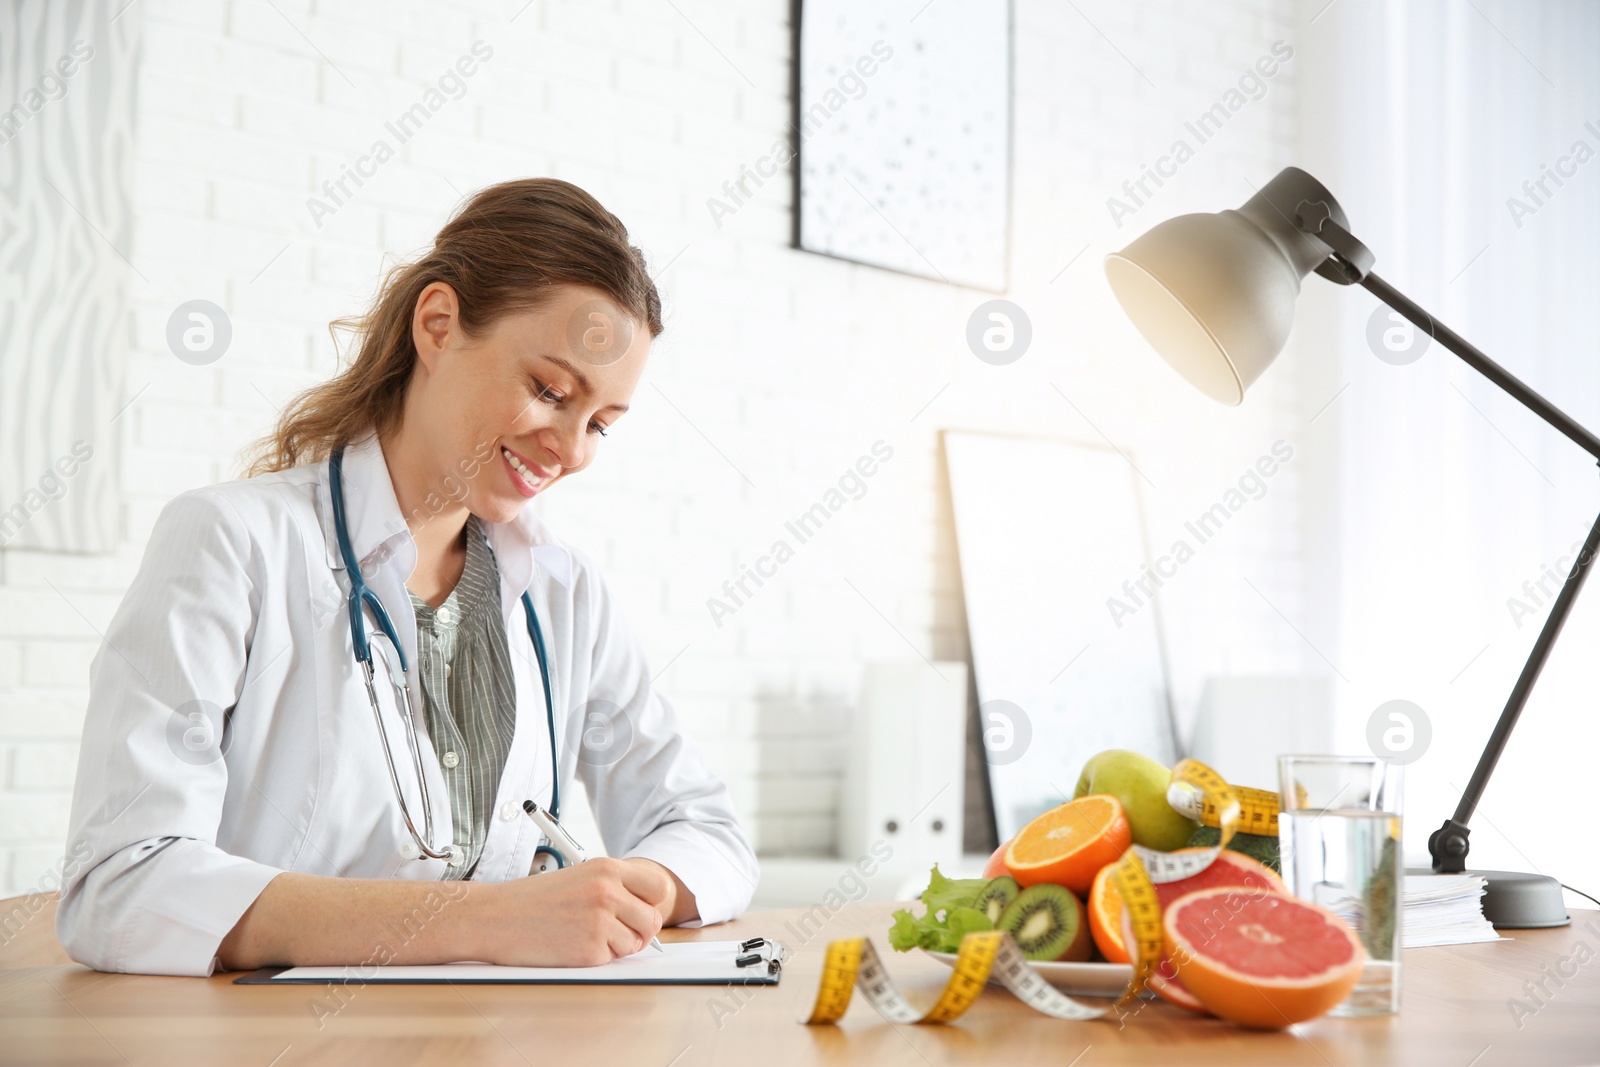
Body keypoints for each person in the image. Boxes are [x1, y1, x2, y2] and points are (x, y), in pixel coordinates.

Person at [55, 179, 758, 976]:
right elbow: (118, 884)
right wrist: (491, 920)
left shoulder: (563, 596)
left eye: (599, 423)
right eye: (549, 391)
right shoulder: (233, 543)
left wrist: (636, 891)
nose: (572, 448)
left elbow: (708, 832)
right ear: (438, 324)